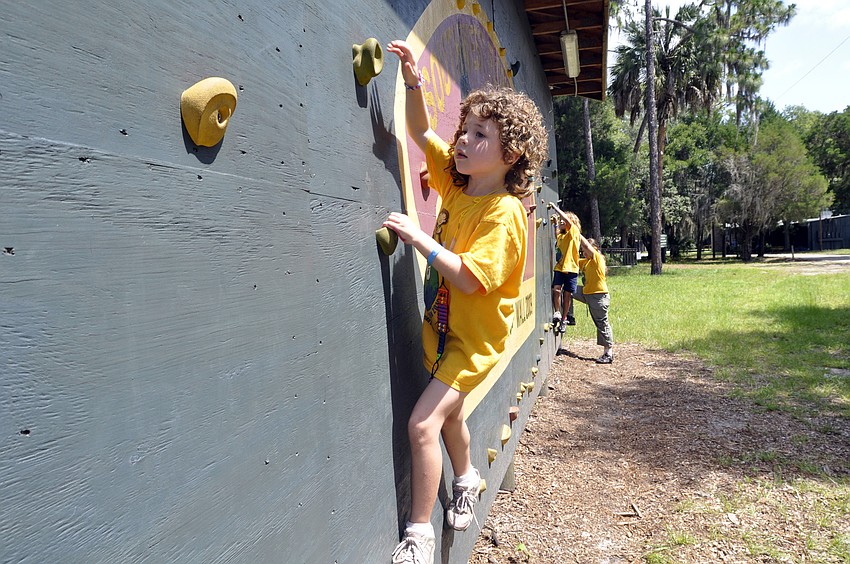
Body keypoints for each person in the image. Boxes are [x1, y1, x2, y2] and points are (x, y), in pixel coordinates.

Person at [383, 39, 548, 564]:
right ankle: (470, 477)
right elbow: (420, 131)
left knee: (422, 424)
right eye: (466, 129)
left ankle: (419, 537)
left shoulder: (503, 214)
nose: (463, 140)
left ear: (511, 154)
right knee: (451, 419)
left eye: (481, 134)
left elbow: (473, 280)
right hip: (447, 328)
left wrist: (419, 239)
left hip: (473, 343)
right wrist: (412, 81)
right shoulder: (460, 187)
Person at [572, 234, 614, 363]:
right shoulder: (587, 261)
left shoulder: (597, 258)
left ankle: (608, 353)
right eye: (583, 251)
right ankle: (567, 316)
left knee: (601, 323)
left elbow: (586, 245)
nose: (584, 253)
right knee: (567, 290)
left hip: (598, 296)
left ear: (594, 248)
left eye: (585, 250)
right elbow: (572, 260)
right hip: (587, 294)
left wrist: (575, 232)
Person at [549, 206, 581, 333]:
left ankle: (564, 318)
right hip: (560, 267)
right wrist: (555, 224)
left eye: (563, 221)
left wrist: (556, 209)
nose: (562, 222)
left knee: (567, 296)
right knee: (556, 289)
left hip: (571, 268)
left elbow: (567, 221)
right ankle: (557, 312)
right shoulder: (561, 236)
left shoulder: (574, 232)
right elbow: (556, 232)